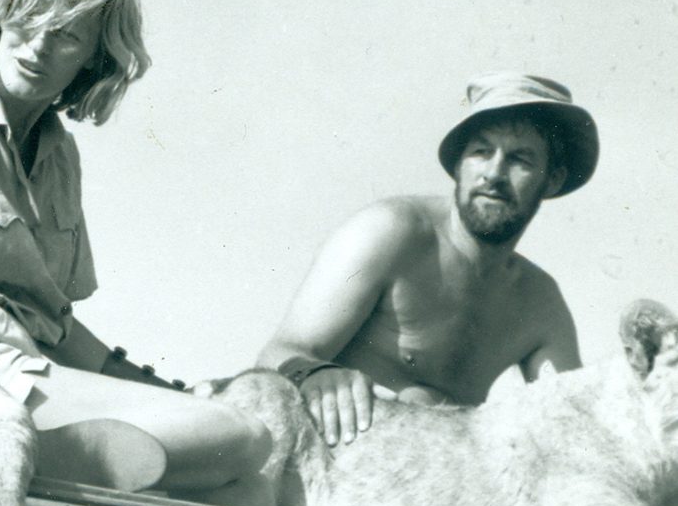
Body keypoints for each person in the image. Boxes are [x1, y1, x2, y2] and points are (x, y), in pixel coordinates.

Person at [0, 0, 273, 506]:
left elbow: (55, 322)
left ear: (94, 60)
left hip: (31, 370)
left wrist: (152, 388)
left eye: (65, 35)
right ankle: (5, 455)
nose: (37, 45)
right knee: (242, 436)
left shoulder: (59, 156)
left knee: (247, 481)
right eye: (27, 17)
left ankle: (60, 480)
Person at [257, 73, 600, 446]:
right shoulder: (392, 231)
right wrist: (315, 373)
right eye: (480, 152)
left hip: (432, 484)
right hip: (330, 460)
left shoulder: (539, 301)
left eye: (519, 159)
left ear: (552, 180)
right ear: (458, 166)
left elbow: (572, 424)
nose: (493, 174)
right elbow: (280, 352)